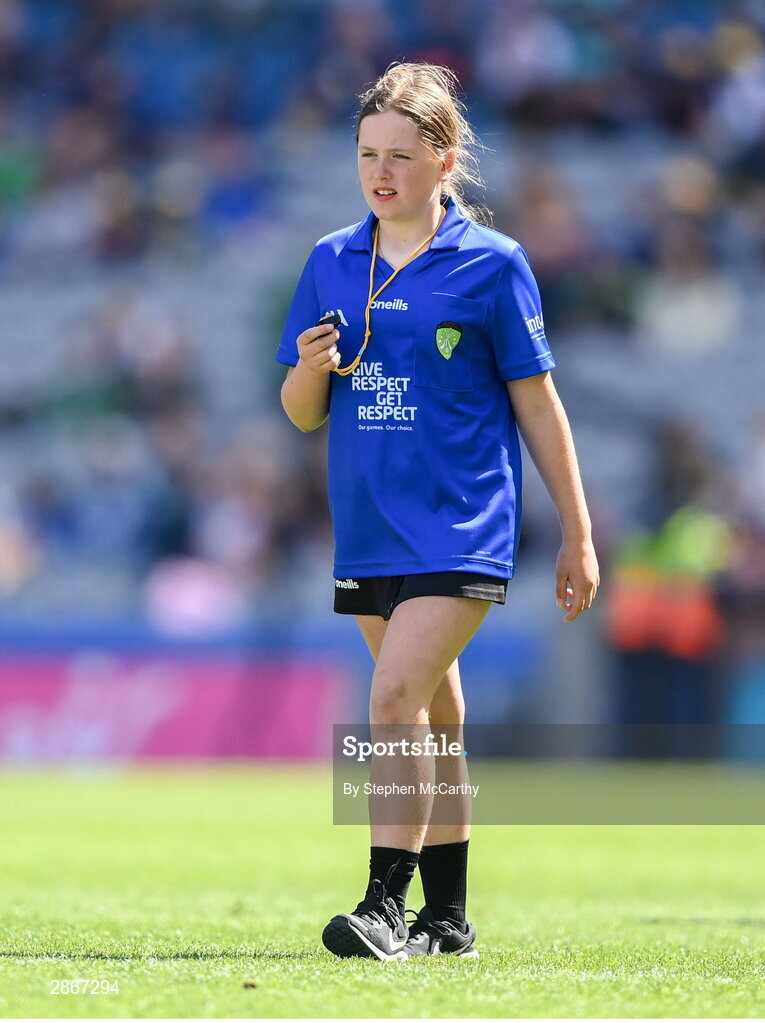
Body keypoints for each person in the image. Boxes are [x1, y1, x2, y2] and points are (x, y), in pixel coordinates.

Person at [276, 62, 599, 961]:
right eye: (366, 155)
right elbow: (303, 411)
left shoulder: (494, 265)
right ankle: (447, 917)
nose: (380, 173)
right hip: (370, 522)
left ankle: (382, 901)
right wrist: (308, 367)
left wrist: (576, 531)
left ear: (443, 159)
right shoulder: (329, 259)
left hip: (463, 520)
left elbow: (538, 402)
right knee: (436, 717)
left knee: (392, 696)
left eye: (399, 157)